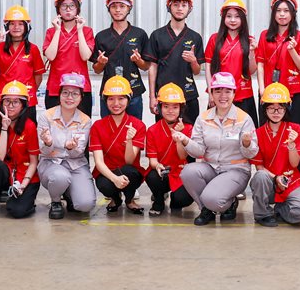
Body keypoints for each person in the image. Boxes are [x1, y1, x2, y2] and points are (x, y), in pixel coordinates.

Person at [178, 72, 258, 225]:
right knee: (188, 172)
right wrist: (185, 141)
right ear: (212, 93)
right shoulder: (203, 118)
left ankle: (230, 202)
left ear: (234, 94)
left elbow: (252, 153)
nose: (223, 96)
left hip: (236, 170)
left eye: (228, 91)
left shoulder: (244, 119)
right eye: (218, 91)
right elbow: (199, 151)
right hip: (211, 168)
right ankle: (206, 210)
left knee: (213, 199)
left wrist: (247, 144)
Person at [250, 83, 300, 227]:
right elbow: (259, 167)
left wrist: (292, 144)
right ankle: (262, 214)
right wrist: (276, 178)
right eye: (271, 107)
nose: (276, 112)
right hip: (269, 183)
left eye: (280, 108)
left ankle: (279, 210)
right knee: (260, 177)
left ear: (287, 108)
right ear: (265, 109)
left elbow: (295, 164)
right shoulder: (258, 133)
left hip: (290, 181)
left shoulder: (294, 129)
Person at [37, 73, 95, 219]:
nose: (70, 97)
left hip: (75, 164)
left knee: (85, 205)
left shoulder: (85, 120)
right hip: (51, 162)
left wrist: (70, 148)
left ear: (81, 97)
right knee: (60, 177)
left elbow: (78, 152)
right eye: (66, 93)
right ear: (59, 95)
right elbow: (43, 151)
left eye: (75, 94)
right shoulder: (46, 116)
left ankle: (69, 191)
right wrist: (48, 143)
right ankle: (56, 201)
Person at [145, 0, 204, 124]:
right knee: (164, 134)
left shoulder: (195, 37)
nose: (180, 8)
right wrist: (152, 97)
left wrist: (193, 61)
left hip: (188, 96)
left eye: (184, 5)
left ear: (189, 9)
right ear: (169, 7)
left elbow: (196, 71)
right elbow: (152, 67)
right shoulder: (157, 35)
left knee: (188, 133)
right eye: (176, 4)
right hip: (164, 97)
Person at [255, 0, 300, 137]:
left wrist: (292, 50)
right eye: (278, 10)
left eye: (286, 11)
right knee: (267, 133)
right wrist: (262, 89)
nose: (282, 14)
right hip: (268, 91)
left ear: (293, 14)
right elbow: (260, 64)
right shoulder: (264, 35)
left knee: (294, 132)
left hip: (293, 92)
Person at [89, 76, 147, 213]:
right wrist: (114, 179)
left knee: (130, 172)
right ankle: (115, 198)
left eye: (121, 98)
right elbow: (98, 162)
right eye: (111, 99)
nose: (116, 103)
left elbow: (129, 161)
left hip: (129, 171)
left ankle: (129, 199)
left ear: (128, 99)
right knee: (104, 184)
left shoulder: (138, 125)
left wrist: (129, 141)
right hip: (107, 172)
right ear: (105, 100)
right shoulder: (97, 126)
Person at [0, 81, 40, 219]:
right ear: (1, 103)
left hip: (25, 174)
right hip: (5, 171)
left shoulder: (30, 126)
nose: (11, 105)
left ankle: (25, 201)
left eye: (16, 102)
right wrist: (4, 128)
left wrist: (23, 185)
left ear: (23, 105)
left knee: (17, 211)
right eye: (7, 101)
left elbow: (34, 162)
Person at [0, 5, 46, 120]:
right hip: (3, 98)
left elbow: (38, 76)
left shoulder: (33, 49)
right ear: (7, 26)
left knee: (27, 130)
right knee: (1, 129)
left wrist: (28, 91)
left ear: (26, 27)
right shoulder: (0, 47)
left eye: (20, 24)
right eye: (12, 24)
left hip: (26, 98)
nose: (16, 27)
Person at [92, 0, 149, 119]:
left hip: (134, 91)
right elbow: (97, 70)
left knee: (134, 128)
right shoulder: (101, 36)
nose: (118, 10)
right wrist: (101, 63)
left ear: (129, 8)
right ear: (108, 9)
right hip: (109, 93)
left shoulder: (139, 34)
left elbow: (146, 66)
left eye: (122, 6)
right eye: (114, 6)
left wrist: (138, 60)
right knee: (108, 128)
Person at [144, 83, 196, 216]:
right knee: (152, 176)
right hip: (162, 171)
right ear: (160, 107)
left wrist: (179, 137)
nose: (170, 111)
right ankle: (159, 200)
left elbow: (183, 157)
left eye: (175, 107)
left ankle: (175, 201)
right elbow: (152, 160)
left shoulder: (188, 128)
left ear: (181, 108)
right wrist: (157, 166)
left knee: (184, 198)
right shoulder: (152, 130)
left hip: (180, 172)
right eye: (166, 106)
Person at [42, 0, 95, 115]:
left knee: (81, 126)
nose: (68, 9)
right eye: (64, 6)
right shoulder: (51, 32)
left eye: (72, 6)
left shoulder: (87, 31)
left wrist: (80, 30)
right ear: (58, 9)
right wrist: (57, 30)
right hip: (56, 88)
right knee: (54, 125)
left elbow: (85, 56)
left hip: (81, 88)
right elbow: (50, 56)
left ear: (77, 8)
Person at [205, 0, 258, 123]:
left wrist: (252, 51)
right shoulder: (214, 39)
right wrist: (211, 92)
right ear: (223, 18)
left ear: (243, 19)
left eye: (237, 16)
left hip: (243, 93)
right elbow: (208, 67)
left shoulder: (249, 40)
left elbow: (252, 71)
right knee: (215, 129)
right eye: (229, 16)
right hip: (220, 94)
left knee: (246, 130)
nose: (233, 20)